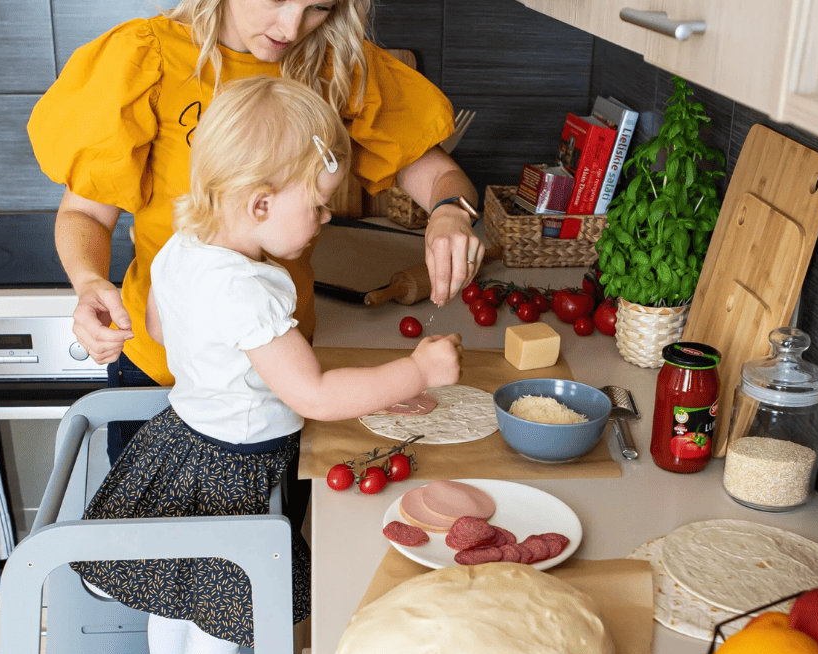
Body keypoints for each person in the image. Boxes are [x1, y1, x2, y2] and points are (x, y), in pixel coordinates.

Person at [74, 75, 462, 654]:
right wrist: (417, 371)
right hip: (232, 468)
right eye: (318, 204)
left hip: (179, 442)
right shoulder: (249, 292)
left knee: (175, 591)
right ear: (259, 203)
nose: (326, 218)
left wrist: (247, 367)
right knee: (220, 618)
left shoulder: (181, 248)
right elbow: (314, 395)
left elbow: (160, 331)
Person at [27, 0, 483, 467]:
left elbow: (438, 173)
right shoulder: (146, 58)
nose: (292, 27)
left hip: (284, 367)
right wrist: (89, 283)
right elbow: (84, 213)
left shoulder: (336, 60)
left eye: (318, 7)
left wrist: (450, 212)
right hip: (158, 374)